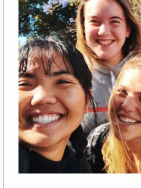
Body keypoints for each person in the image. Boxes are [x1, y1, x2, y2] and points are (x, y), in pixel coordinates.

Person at [76, 0, 141, 134]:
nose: (104, 31)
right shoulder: (71, 77)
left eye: (114, 21)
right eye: (94, 21)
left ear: (127, 29)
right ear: (83, 28)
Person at [19, 35, 94, 173]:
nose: (42, 97)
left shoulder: (81, 168)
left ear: (87, 101)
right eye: (24, 84)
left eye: (62, 82)